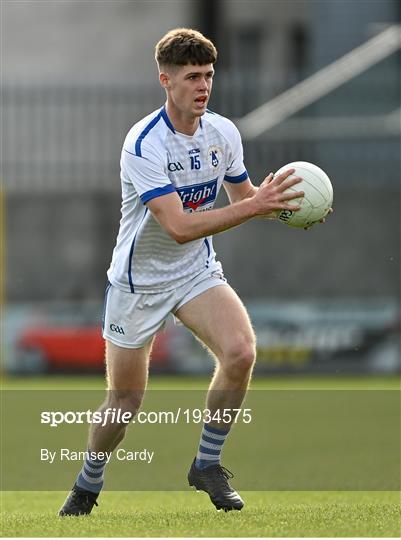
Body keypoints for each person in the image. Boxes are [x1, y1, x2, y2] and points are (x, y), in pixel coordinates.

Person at [59, 27, 307, 516]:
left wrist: (290, 206)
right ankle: (88, 483)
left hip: (195, 273)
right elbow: (177, 226)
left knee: (240, 352)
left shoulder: (224, 132)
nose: (203, 86)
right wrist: (256, 206)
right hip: (139, 283)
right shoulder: (143, 143)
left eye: (209, 75)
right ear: (165, 80)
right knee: (125, 404)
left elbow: (243, 198)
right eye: (192, 76)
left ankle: (206, 464)